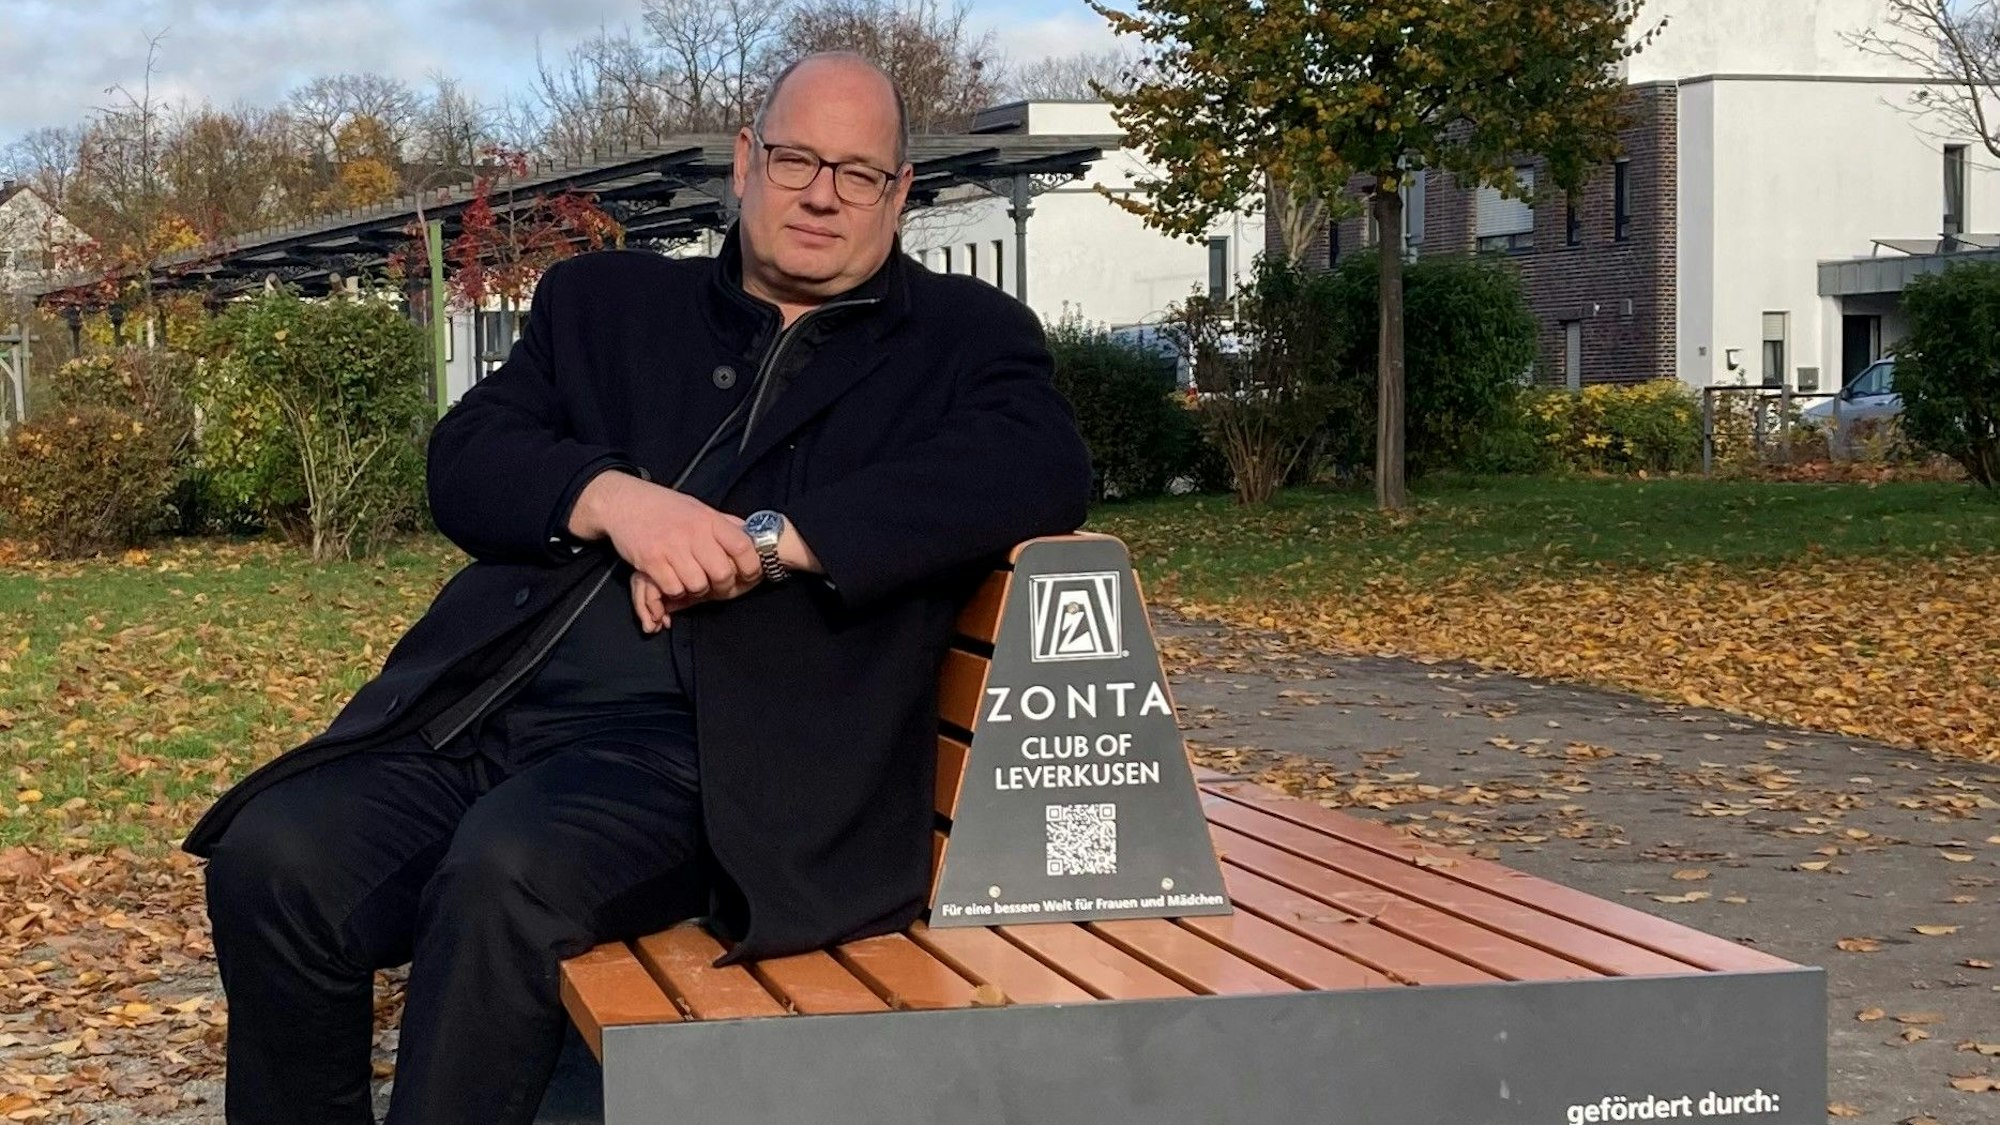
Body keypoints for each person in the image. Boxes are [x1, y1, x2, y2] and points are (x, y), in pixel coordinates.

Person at [183, 51, 1092, 1125]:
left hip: (711, 763)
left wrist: (773, 542)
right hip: (490, 712)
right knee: (276, 857)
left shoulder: (959, 338)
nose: (821, 194)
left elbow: (1038, 466)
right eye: (796, 159)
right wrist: (614, 499)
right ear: (744, 163)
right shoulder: (606, 303)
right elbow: (467, 460)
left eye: (857, 173)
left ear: (898, 194)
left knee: (503, 877)